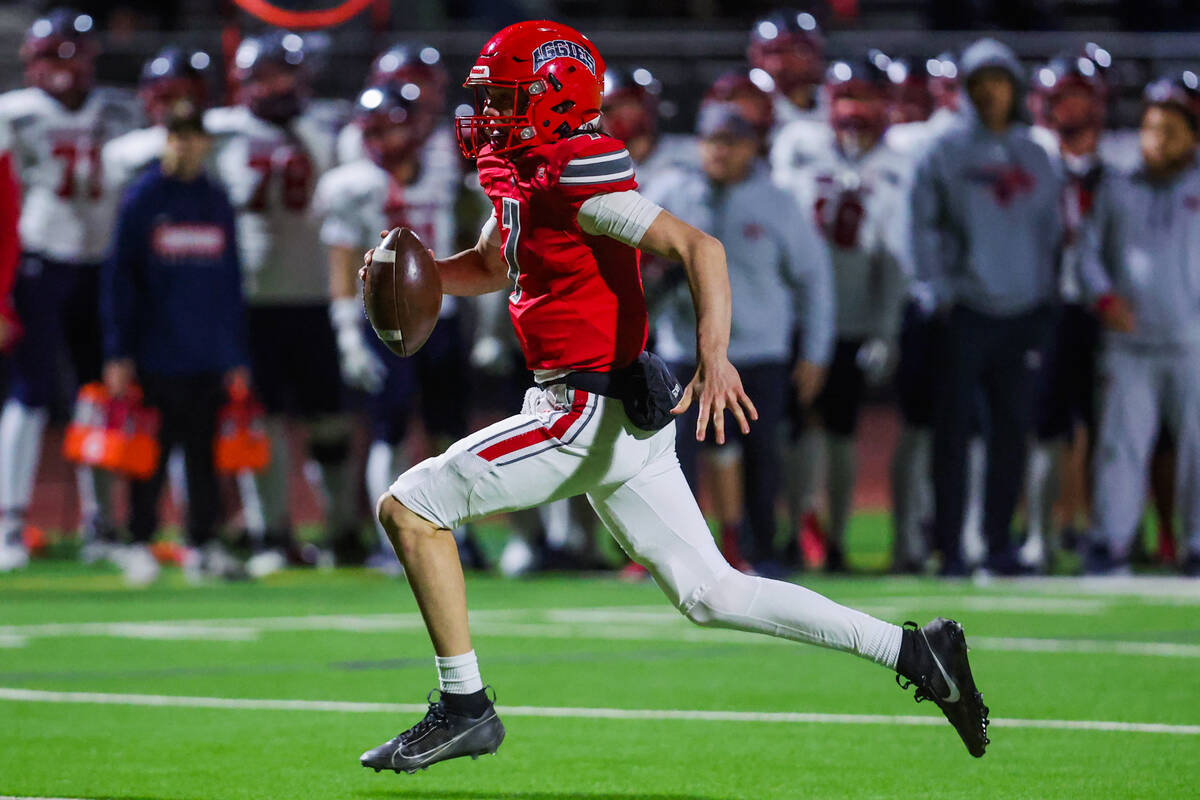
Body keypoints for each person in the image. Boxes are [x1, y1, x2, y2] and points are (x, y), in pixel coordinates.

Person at [358, 20, 989, 774]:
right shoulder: (526, 171)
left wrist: (715, 357)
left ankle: (465, 706)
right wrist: (422, 275)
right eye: (489, 98)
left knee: (410, 506)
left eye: (505, 97)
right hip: (615, 413)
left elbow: (700, 247)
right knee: (711, 593)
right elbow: (501, 259)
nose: (488, 112)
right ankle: (917, 651)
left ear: (555, 98)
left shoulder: (574, 170)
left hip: (583, 411)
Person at [647, 101, 832, 575]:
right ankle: (678, 551)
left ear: (753, 146)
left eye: (731, 142)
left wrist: (814, 351)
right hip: (682, 349)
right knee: (671, 454)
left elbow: (812, 277)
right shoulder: (670, 191)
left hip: (756, 351)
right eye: (712, 141)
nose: (719, 152)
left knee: (761, 452)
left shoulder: (778, 201)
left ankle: (758, 548)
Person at [204, 31, 358, 571]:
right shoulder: (221, 132)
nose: (277, 86)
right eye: (265, 76)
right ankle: (272, 531)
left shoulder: (329, 126)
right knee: (261, 422)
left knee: (330, 422)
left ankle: (341, 530)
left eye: (284, 74)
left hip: (318, 296)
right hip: (252, 300)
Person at [910, 38, 1061, 576]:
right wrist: (939, 292)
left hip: (1024, 314)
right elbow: (922, 226)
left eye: (1000, 81)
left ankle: (998, 544)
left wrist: (1046, 297)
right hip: (966, 312)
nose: (991, 91)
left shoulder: (1038, 154)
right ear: (967, 89)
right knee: (952, 436)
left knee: (1012, 434)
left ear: (1014, 88)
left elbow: (1052, 233)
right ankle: (949, 546)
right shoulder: (943, 151)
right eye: (980, 82)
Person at [0, 8, 140, 571]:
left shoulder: (121, 111)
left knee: (99, 396)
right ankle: (10, 522)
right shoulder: (13, 114)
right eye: (50, 54)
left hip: (101, 268)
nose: (61, 67)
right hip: (40, 265)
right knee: (29, 395)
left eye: (70, 52)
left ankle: (99, 522)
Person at [314, 82, 471, 573]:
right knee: (391, 429)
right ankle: (392, 539)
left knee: (450, 433)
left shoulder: (448, 170)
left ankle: (453, 536)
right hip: (383, 325)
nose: (386, 140)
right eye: (377, 130)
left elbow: (470, 238)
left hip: (443, 317)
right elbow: (341, 259)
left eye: (393, 127)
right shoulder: (352, 183)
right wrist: (345, 334)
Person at [100, 105, 249, 584]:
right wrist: (118, 350)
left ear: (206, 142)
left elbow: (230, 282)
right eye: (177, 135)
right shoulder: (143, 198)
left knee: (205, 455)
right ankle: (140, 541)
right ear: (165, 140)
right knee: (151, 454)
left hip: (206, 352)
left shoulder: (215, 200)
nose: (185, 144)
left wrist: (235, 355)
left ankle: (201, 543)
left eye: (193, 135)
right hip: (154, 351)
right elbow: (119, 278)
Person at [774, 56, 910, 572]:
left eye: (867, 97)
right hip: (796, 317)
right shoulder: (799, 145)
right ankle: (793, 531)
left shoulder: (900, 165)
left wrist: (885, 330)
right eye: (847, 96)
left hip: (853, 316)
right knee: (794, 428)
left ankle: (836, 539)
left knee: (841, 430)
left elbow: (896, 261)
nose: (855, 109)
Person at [1081, 76, 1200, 577]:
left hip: (1193, 342)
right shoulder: (1118, 185)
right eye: (1152, 128)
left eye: (1171, 130)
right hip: (1128, 344)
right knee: (1120, 449)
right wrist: (1103, 296)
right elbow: (1087, 252)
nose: (1158, 139)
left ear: (1193, 136)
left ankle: (1197, 545)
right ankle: (1112, 544)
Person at [1020, 52, 1110, 571]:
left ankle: (1102, 532)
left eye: (1081, 96)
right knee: (1044, 427)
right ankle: (1039, 532)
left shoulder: (1119, 164)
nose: (1071, 109)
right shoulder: (1030, 157)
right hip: (1045, 307)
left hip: (1106, 313)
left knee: (1106, 429)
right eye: (1063, 97)